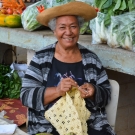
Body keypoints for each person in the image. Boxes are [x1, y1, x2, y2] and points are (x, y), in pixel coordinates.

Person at [20, 1, 116, 135]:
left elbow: (106, 95)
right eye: (62, 27)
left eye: (73, 26)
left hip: (89, 125)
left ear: (79, 29)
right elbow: (25, 96)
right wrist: (57, 90)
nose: (68, 32)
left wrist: (94, 92)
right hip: (48, 125)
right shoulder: (41, 58)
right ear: (54, 31)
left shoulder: (91, 59)